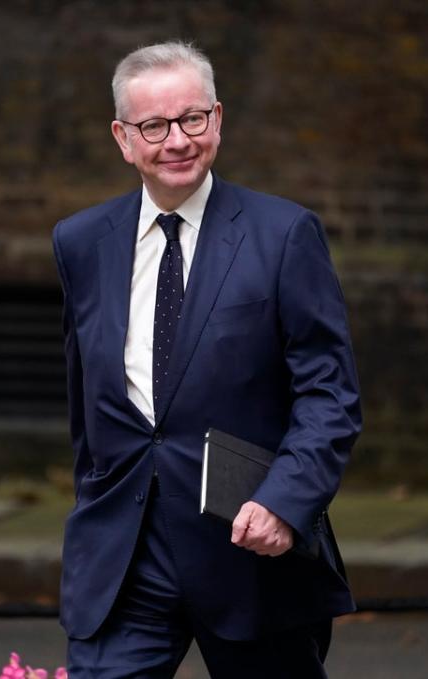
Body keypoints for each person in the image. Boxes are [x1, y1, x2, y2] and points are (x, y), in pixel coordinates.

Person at [52, 41, 363, 678]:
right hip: (124, 560)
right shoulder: (81, 243)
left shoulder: (283, 236)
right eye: (154, 126)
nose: (177, 141)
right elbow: (87, 397)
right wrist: (93, 505)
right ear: (123, 137)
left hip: (248, 553)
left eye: (192, 119)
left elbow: (329, 394)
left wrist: (286, 500)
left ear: (216, 119)